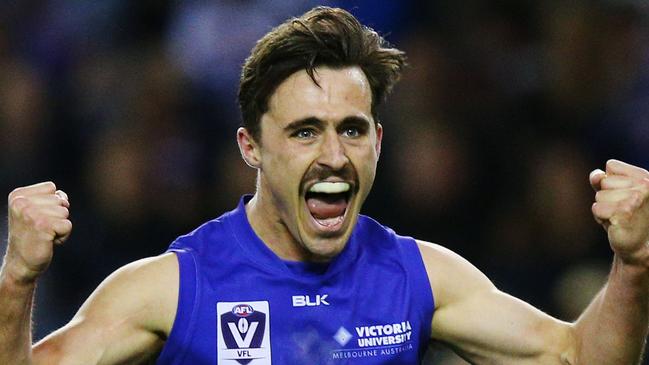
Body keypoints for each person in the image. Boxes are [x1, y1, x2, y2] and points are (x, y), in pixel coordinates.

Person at [1, 6, 648, 365]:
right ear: (250, 148)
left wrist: (633, 263)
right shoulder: (172, 286)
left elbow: (577, 360)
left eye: (352, 129)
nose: (334, 155)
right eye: (305, 131)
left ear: (379, 141)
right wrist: (17, 280)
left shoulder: (418, 275)